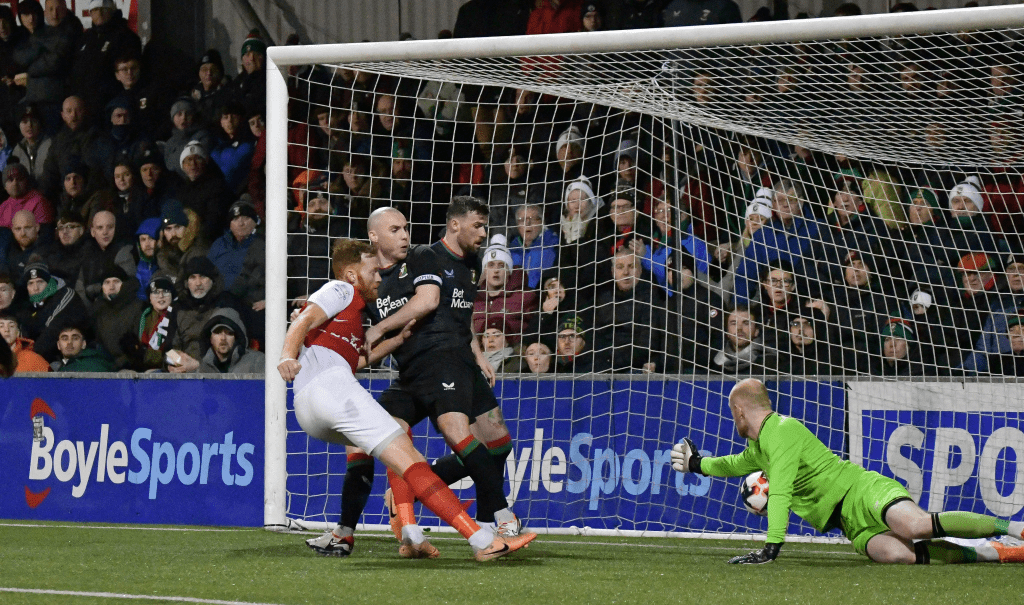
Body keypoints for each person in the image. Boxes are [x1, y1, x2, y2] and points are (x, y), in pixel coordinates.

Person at [278, 237, 534, 561]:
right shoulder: (341, 289)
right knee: (410, 460)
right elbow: (302, 320)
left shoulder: (350, 321)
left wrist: (396, 340)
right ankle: (482, 540)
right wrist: (286, 356)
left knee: (371, 450)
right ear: (353, 274)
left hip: (309, 410)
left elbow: (356, 361)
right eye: (372, 271)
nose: (378, 277)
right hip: (332, 391)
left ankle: (351, 534)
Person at [671, 378, 1024, 564]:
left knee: (915, 526)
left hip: (862, 490)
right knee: (899, 555)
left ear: (739, 411)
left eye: (732, 413)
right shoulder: (760, 446)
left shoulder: (782, 431)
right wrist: (697, 464)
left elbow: (779, 492)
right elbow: (732, 464)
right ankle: (992, 551)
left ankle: (1014, 529)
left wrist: (771, 546)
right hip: (848, 522)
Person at [362, 201, 527, 540]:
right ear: (454, 224)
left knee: (499, 444)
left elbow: (460, 316)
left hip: (461, 357)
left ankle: (425, 494)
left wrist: (478, 355)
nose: (484, 233)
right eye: (478, 225)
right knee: (452, 435)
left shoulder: (473, 262)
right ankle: (496, 517)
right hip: (435, 362)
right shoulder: (426, 257)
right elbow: (428, 304)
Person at [49, 322, 116, 372]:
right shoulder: (57, 368)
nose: (69, 342)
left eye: (75, 338)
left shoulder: (94, 363)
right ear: (58, 345)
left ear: (83, 344)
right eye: (65, 339)